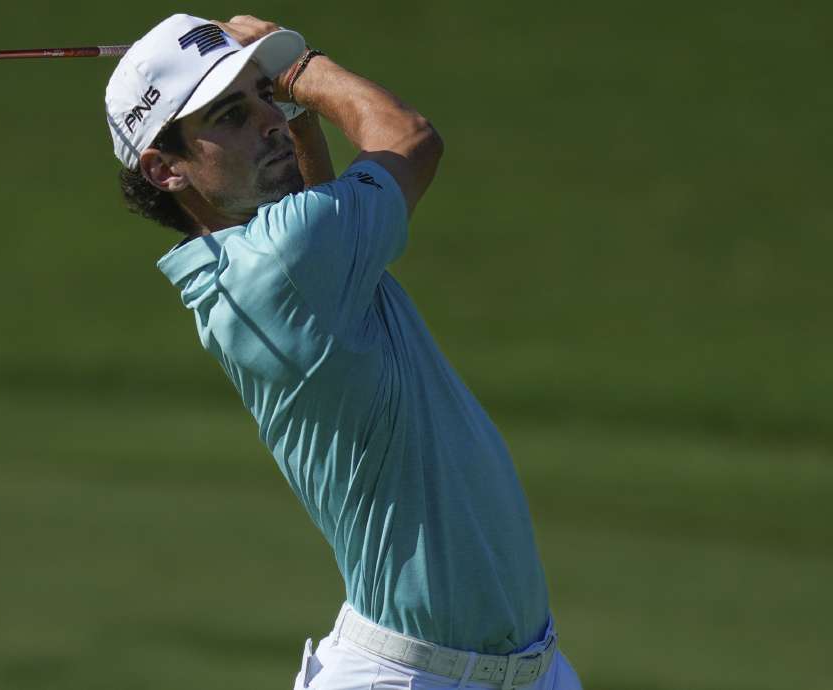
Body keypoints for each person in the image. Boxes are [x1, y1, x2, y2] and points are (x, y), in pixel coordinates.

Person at [104, 13, 583, 690]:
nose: (268, 120)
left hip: (532, 670)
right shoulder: (289, 258)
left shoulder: (263, 257)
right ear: (164, 168)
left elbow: (312, 194)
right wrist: (303, 69)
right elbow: (409, 138)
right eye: (231, 114)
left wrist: (287, 107)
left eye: (264, 96)